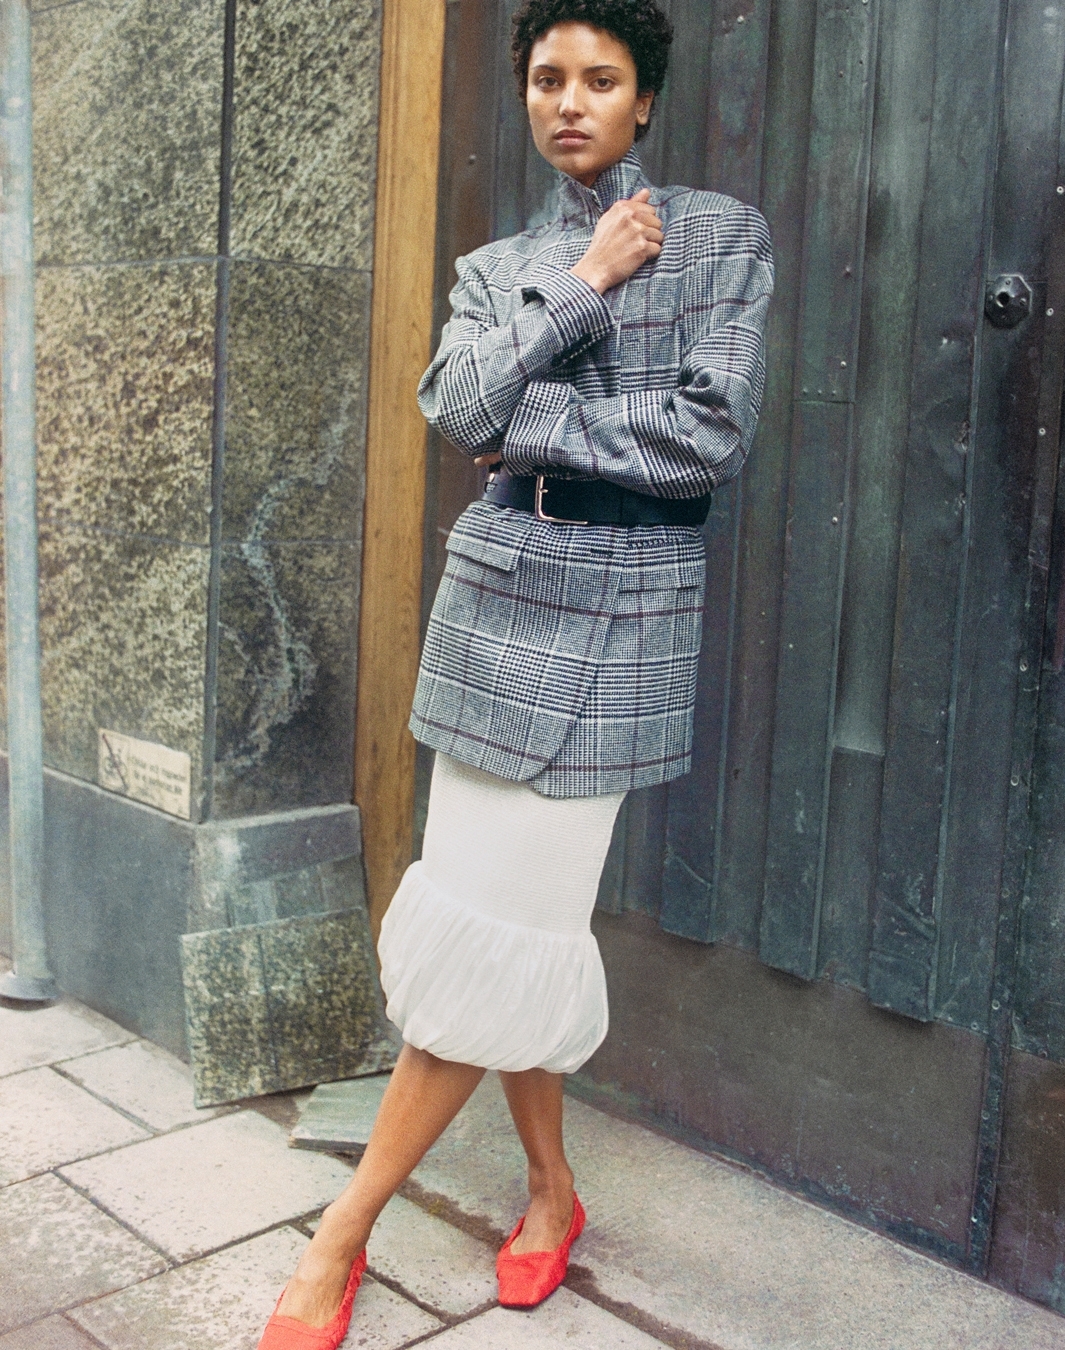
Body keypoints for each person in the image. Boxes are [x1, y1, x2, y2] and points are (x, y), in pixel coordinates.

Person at [258, 2, 772, 1345]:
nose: (571, 99)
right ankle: (548, 1191)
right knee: (504, 926)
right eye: (548, 75)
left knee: (499, 929)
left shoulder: (722, 238)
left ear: (645, 98)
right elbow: (458, 409)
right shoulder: (507, 265)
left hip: (621, 617)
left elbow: (707, 440)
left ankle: (341, 1234)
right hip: (494, 605)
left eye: (601, 77)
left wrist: (536, 419)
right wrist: (588, 281)